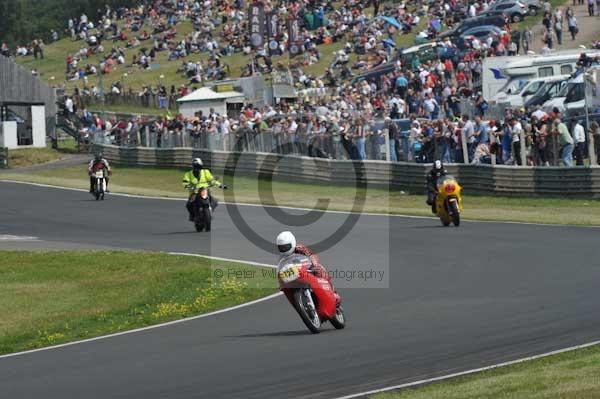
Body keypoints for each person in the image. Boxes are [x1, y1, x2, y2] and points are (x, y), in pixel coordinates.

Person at [276, 231, 340, 304]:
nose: (284, 249)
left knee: (320, 269)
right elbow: (280, 270)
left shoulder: (300, 248)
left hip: (308, 269)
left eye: (286, 246)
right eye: (281, 247)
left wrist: (314, 265)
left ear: (292, 243)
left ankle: (333, 292)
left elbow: (312, 255)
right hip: (295, 276)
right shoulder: (282, 258)